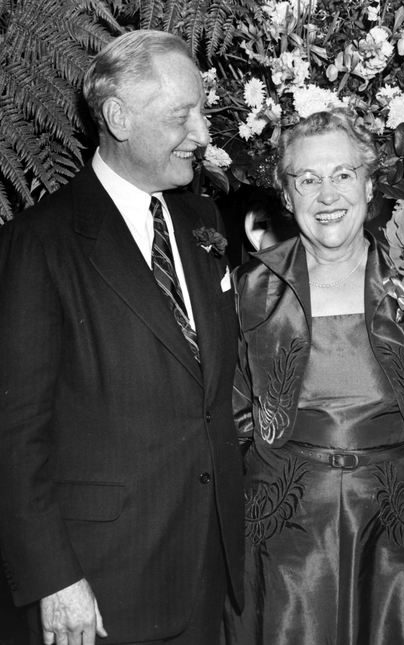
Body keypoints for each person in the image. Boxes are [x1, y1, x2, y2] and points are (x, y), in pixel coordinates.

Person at [0, 30, 244, 645]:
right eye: (180, 117)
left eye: (202, 112)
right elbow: (13, 434)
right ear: (118, 118)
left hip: (204, 574)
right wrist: (54, 579)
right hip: (101, 587)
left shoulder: (204, 223)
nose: (204, 135)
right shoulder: (40, 243)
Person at [223, 108, 404, 645]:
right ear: (286, 197)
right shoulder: (249, 289)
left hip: (397, 532)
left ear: (369, 183)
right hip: (282, 538)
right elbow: (232, 428)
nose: (327, 194)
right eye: (308, 180)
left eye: (342, 174)